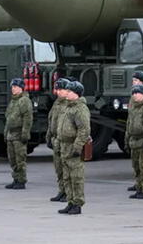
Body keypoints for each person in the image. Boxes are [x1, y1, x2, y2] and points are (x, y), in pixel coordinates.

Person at [56, 81, 90, 215]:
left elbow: (84, 130)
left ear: (76, 94)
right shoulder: (68, 107)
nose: (67, 93)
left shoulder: (80, 109)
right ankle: (70, 201)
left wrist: (77, 147)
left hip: (73, 145)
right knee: (67, 177)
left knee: (76, 177)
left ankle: (77, 203)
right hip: (64, 145)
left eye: (70, 91)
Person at [125, 84, 143, 199]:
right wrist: (126, 140)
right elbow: (128, 125)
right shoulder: (133, 108)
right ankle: (139, 187)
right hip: (134, 141)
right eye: (133, 93)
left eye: (137, 93)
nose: (135, 96)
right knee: (136, 167)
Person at [4, 78, 34, 190]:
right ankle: (15, 178)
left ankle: (21, 180)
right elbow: (8, 118)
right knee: (12, 159)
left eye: (15, 87)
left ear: (21, 88)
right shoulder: (13, 101)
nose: (13, 89)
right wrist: (6, 132)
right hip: (11, 134)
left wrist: (25, 134)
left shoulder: (24, 101)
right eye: (12, 87)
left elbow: (27, 119)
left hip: (18, 134)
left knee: (20, 158)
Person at [46, 77, 71, 202]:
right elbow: (52, 120)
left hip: (64, 140)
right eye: (57, 89)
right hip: (56, 139)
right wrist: (49, 136)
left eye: (61, 89)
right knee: (59, 168)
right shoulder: (57, 103)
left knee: (67, 170)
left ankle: (68, 193)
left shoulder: (68, 104)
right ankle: (62, 191)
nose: (58, 92)